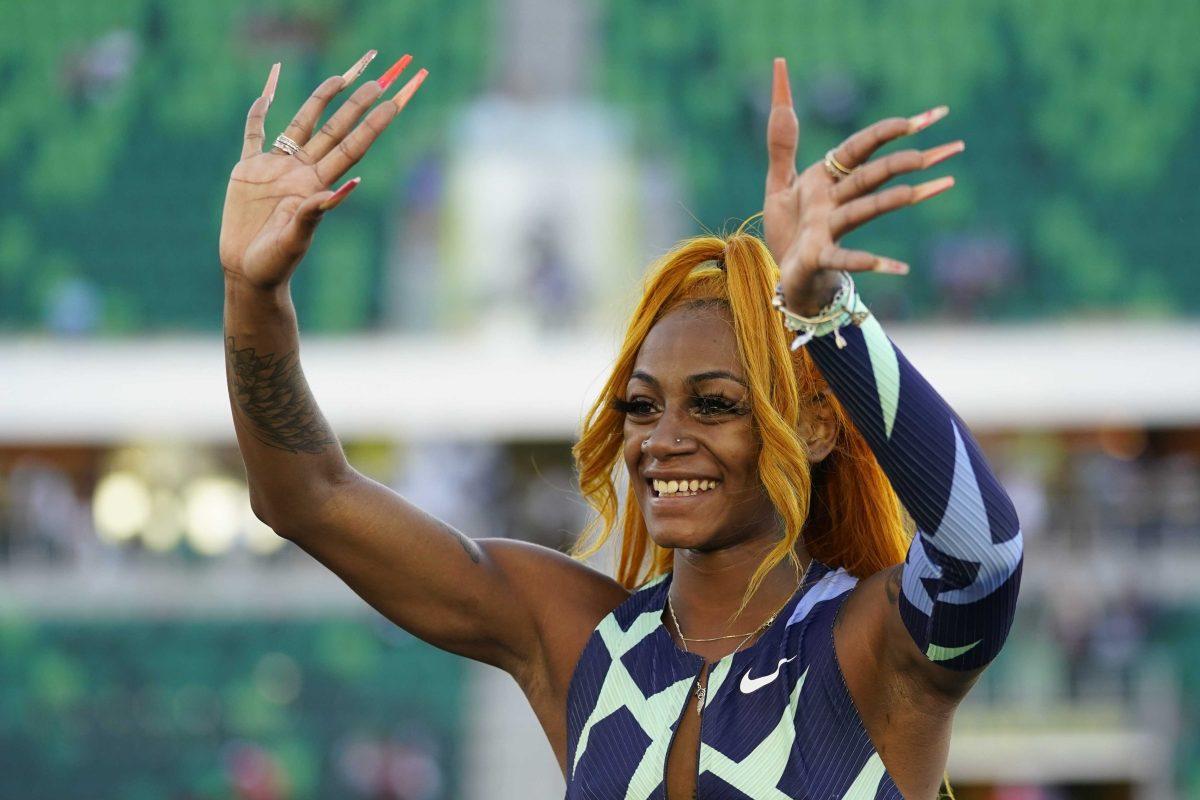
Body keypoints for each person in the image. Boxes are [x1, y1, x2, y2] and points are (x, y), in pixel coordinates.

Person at [219, 51, 1023, 800]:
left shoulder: (872, 646)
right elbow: (307, 497)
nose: (662, 438)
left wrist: (827, 318)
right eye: (642, 406)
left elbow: (983, 556)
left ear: (814, 427)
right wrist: (254, 299)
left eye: (713, 403)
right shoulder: (583, 641)